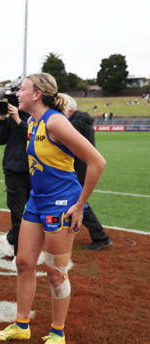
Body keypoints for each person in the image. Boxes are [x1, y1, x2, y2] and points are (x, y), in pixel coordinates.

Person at [0, 73, 106, 344]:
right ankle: (22, 325)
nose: (17, 93)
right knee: (23, 262)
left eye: (22, 89)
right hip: (37, 202)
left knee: (56, 273)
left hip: (62, 205)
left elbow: (97, 161)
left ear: (37, 94)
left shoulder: (56, 121)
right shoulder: (32, 121)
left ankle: (58, 332)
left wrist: (80, 205)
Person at [63, 94, 112, 251]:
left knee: (80, 203)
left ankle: (100, 237)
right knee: (76, 201)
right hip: (83, 167)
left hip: (79, 168)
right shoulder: (83, 120)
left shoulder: (75, 122)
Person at [0, 103, 32, 258]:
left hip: (34, 169)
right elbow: (1, 140)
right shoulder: (9, 117)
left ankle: (10, 238)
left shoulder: (33, 116)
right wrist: (3, 119)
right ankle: (19, 256)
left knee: (34, 212)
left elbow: (33, 136)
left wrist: (17, 119)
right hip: (13, 170)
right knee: (17, 214)